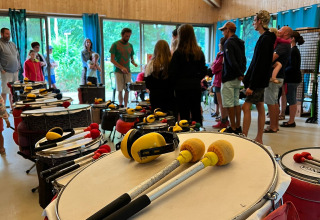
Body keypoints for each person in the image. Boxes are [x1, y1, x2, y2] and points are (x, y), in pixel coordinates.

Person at [242, 10, 276, 144]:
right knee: (260, 107)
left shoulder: (266, 39)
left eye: (255, 20)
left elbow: (261, 64)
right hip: (259, 80)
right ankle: (259, 138)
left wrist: (252, 85)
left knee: (246, 107)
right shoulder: (265, 38)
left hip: (257, 81)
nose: (253, 23)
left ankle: (244, 137)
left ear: (260, 21)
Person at [168, 24, 207, 125]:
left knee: (184, 114)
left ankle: (186, 136)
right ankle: (198, 133)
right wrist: (196, 78)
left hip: (181, 88)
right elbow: (203, 71)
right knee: (196, 113)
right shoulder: (199, 52)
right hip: (195, 86)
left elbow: (172, 72)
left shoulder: (177, 53)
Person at [219, 21, 246, 134]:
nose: (223, 33)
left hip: (230, 77)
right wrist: (241, 73)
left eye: (223, 31)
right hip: (237, 78)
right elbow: (244, 59)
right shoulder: (240, 42)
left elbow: (230, 61)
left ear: (228, 30)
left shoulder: (228, 43)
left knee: (229, 103)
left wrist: (238, 73)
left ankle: (233, 127)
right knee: (236, 102)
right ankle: (238, 125)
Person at [264, 26, 292, 133]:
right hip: (278, 76)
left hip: (274, 78)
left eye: (281, 30)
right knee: (274, 101)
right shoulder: (283, 44)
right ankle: (274, 125)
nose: (278, 31)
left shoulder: (283, 45)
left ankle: (273, 126)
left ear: (285, 34)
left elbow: (271, 58)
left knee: (271, 102)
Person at [280, 31, 305, 128]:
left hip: (292, 79)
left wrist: (282, 69)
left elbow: (293, 66)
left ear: (292, 38)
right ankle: (291, 120)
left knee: (291, 100)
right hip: (292, 78)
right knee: (291, 99)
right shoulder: (292, 50)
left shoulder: (293, 50)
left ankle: (291, 121)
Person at [109, 28, 138, 107]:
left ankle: (125, 106)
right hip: (118, 71)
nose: (127, 38)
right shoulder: (115, 45)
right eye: (126, 36)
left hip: (127, 71)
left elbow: (131, 58)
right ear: (122, 35)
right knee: (120, 90)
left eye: (129, 36)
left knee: (127, 90)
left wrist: (134, 62)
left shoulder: (130, 46)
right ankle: (121, 106)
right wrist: (121, 67)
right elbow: (112, 60)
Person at [145, 40, 174, 113]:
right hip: (170, 96)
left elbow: (147, 84)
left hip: (155, 96)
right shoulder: (172, 63)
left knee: (156, 118)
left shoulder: (151, 64)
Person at [0, 28, 20, 109]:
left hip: (15, 72)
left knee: (13, 92)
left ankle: (13, 109)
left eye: (9, 34)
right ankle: (2, 111)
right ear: (1, 34)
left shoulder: (12, 44)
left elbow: (17, 56)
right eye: (6, 34)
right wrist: (1, 69)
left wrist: (18, 66)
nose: (9, 35)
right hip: (6, 72)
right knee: (5, 91)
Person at [212, 37, 229, 129]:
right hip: (219, 80)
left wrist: (216, 59)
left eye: (219, 43)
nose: (219, 45)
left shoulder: (222, 56)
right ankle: (224, 119)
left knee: (221, 102)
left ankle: (223, 121)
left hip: (219, 81)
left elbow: (214, 68)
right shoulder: (222, 55)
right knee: (222, 102)